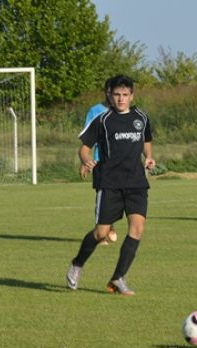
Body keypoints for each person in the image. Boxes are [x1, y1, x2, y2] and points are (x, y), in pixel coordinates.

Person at [67, 75, 156, 296]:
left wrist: (149, 157)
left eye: (125, 95)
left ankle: (118, 278)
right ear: (110, 95)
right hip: (110, 184)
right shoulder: (103, 120)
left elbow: (146, 142)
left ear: (132, 95)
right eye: (117, 94)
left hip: (136, 183)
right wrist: (85, 160)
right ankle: (77, 264)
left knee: (137, 228)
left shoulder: (141, 118)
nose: (121, 99)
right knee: (101, 233)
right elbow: (84, 148)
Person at [84, 79, 117, 245]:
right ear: (107, 92)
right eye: (114, 93)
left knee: (117, 196)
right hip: (100, 162)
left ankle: (110, 225)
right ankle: (102, 230)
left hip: (119, 163)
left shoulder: (123, 111)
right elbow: (87, 139)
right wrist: (85, 160)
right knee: (102, 196)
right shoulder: (95, 111)